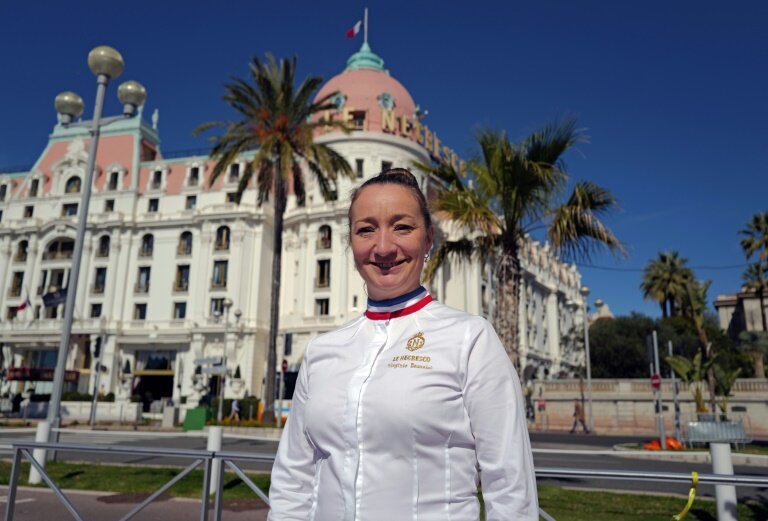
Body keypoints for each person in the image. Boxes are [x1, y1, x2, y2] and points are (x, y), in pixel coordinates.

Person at [268, 168, 539, 520]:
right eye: (366, 229)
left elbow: (509, 484)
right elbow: (294, 478)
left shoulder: (469, 339)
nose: (383, 248)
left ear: (428, 240)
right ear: (351, 243)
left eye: (402, 227)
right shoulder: (322, 351)